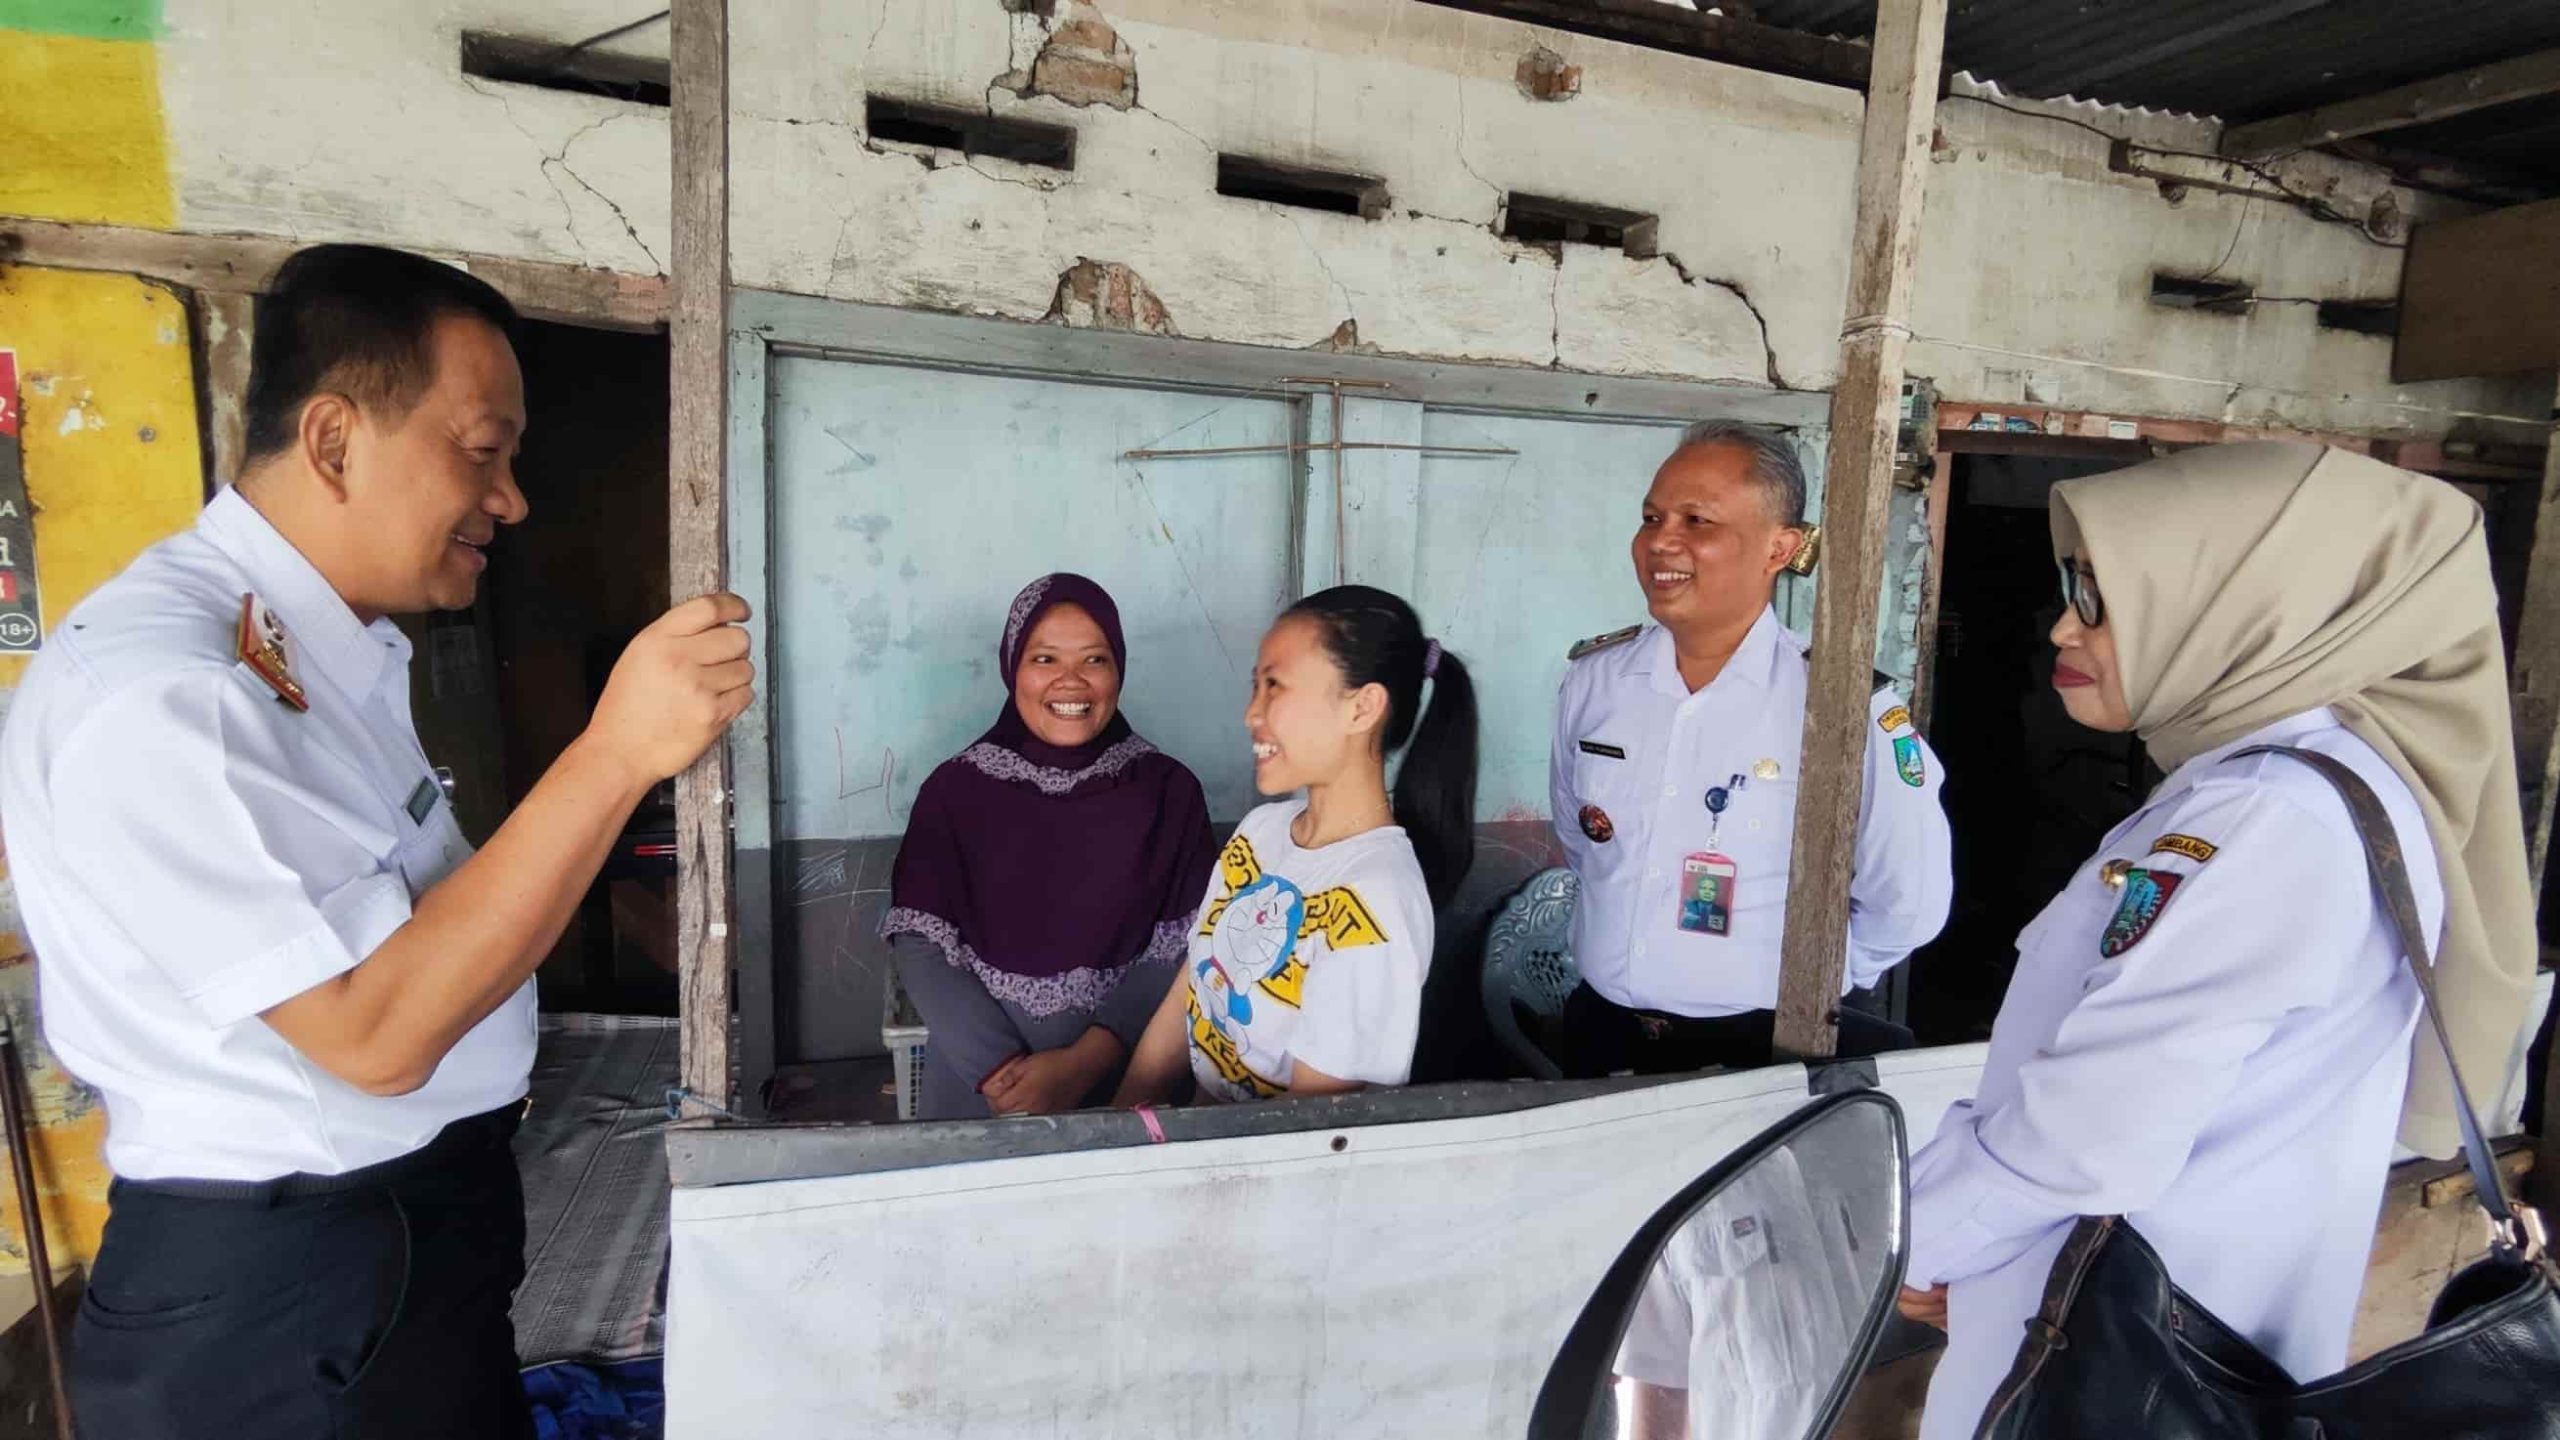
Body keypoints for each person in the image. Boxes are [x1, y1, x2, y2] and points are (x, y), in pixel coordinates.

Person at [0, 245, 753, 1439]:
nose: (509, 499)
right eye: (483, 451)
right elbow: (375, 1034)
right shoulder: (174, 693)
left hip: (395, 1247)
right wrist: (617, 752)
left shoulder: (306, 656)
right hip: (289, 1297)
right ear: (334, 440)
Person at [1893, 442, 2537, 1439]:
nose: (2064, 625)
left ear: (2250, 605)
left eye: (2102, 596)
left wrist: (1911, 1241)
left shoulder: (2270, 815)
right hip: (2144, 1330)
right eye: (2072, 586)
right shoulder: (2315, 786)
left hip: (2121, 1368)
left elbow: (2085, 1134)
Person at [1550, 421, 1951, 1077]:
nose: (1660, 542)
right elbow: (1582, 841)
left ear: (1780, 547)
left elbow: (1906, 901)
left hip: (1765, 1051)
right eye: (1651, 518)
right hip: (1602, 1033)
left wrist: (1812, 984)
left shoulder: (1843, 704)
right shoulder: (1595, 681)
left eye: (1697, 521)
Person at [1116, 585, 1477, 1104]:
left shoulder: (1377, 900)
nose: (1251, 713)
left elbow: (1309, 1127)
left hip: (1260, 1154)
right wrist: (1123, 1119)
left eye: (1275, 687)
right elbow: (1191, 987)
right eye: (1255, 686)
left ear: (1362, 708)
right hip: (1199, 1133)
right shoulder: (1260, 832)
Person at [879, 574, 1217, 1119]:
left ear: (1118, 669)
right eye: (1044, 659)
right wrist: (1003, 1077)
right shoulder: (955, 792)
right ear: (1013, 667)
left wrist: (1084, 1064)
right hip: (979, 1087)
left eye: (1094, 660)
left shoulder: (1168, 792)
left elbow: (1186, 946)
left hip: (1127, 1081)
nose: (1071, 682)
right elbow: (919, 943)